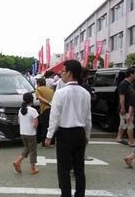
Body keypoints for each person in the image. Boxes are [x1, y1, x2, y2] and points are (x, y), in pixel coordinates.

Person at [45, 60, 92, 197]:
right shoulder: (85, 93)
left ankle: (65, 195)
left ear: (70, 73)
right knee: (79, 168)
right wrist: (87, 136)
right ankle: (79, 194)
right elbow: (88, 118)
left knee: (64, 169)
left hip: (65, 133)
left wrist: (49, 136)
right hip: (80, 133)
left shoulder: (60, 93)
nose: (61, 73)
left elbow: (54, 117)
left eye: (63, 71)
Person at [13, 92, 39, 175]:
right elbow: (35, 124)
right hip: (31, 133)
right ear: (32, 100)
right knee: (33, 151)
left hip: (22, 133)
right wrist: (35, 130)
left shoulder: (20, 110)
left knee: (28, 148)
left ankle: (18, 161)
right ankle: (32, 169)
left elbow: (19, 121)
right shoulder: (33, 110)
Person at [116, 68, 135, 147]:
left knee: (123, 124)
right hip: (126, 108)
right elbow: (122, 96)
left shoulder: (130, 84)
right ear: (131, 74)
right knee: (130, 124)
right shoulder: (124, 84)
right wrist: (122, 108)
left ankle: (119, 137)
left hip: (128, 107)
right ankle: (131, 142)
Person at [35, 78, 54, 147]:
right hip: (52, 109)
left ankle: (45, 142)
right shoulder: (50, 90)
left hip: (45, 109)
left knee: (44, 126)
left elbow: (39, 98)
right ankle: (52, 141)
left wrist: (48, 102)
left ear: (38, 84)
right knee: (51, 125)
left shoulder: (38, 89)